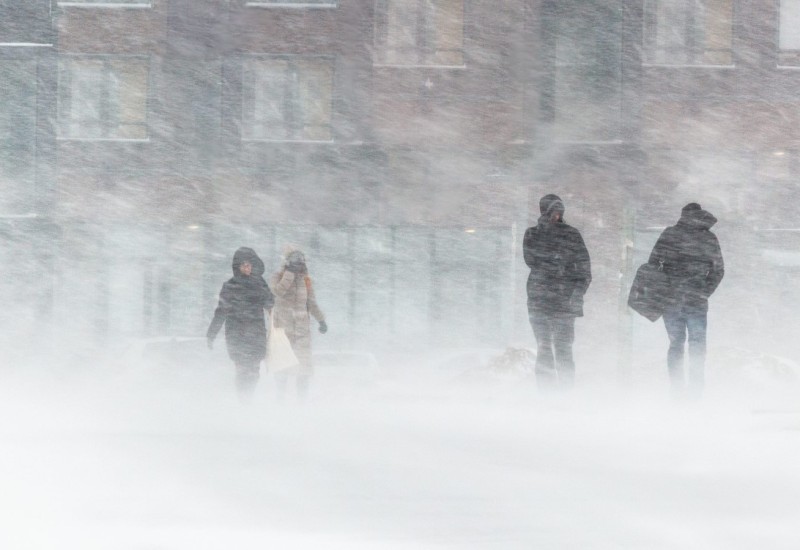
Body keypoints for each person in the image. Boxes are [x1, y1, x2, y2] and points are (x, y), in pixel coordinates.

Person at [647, 202, 724, 399]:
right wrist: (704, 290)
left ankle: (677, 389)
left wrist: (664, 287)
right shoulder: (708, 237)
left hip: (671, 300)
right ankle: (696, 389)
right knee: (697, 344)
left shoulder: (670, 234)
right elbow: (718, 270)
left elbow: (653, 265)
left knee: (676, 344)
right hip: (696, 301)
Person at [523, 194, 592, 390]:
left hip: (564, 302)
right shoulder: (532, 234)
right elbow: (531, 260)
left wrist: (577, 294)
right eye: (552, 211)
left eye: (559, 212)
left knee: (563, 350)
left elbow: (585, 270)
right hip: (539, 301)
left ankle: (565, 392)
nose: (557, 216)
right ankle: (546, 393)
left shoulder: (572, 234)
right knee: (544, 348)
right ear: (544, 212)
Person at [207, 247, 275, 402]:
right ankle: (243, 400)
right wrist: (211, 333)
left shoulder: (258, 284)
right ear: (238, 267)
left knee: (254, 371)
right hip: (237, 334)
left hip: (256, 333)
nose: (247, 268)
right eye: (244, 265)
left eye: (249, 265)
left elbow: (270, 303)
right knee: (242, 370)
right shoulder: (230, 286)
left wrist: (262, 286)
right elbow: (221, 311)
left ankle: (247, 398)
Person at [270, 247, 327, 401]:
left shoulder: (306, 281)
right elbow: (277, 292)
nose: (299, 264)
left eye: (300, 261)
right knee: (283, 366)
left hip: (302, 331)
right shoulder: (278, 276)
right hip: (283, 328)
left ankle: (302, 400)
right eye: (295, 261)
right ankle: (280, 398)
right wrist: (289, 274)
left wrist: (321, 319)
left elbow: (311, 302)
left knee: (304, 368)